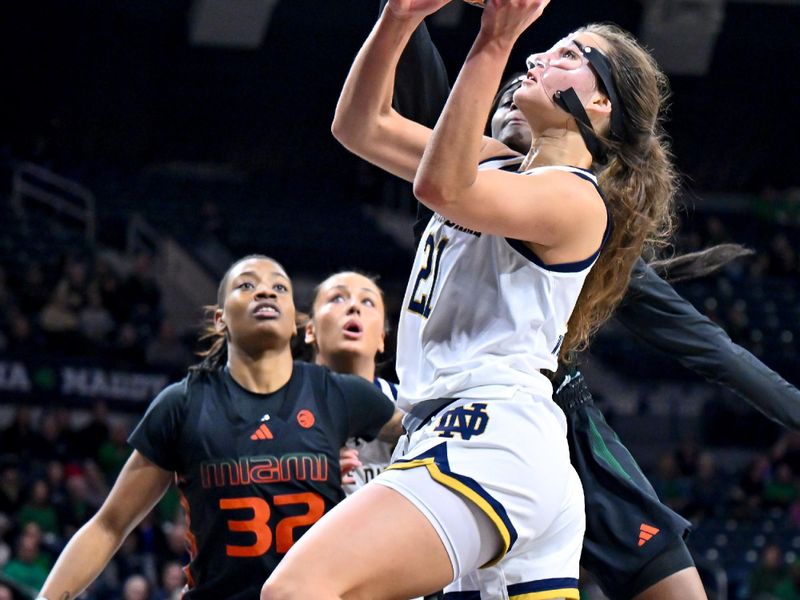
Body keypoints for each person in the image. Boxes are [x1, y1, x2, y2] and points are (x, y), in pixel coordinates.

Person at [261, 0, 677, 598]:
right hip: (475, 442)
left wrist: (494, 39)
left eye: (565, 55)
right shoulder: (499, 164)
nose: (537, 57)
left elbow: (439, 187)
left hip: (488, 435)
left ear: (600, 104)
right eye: (540, 48)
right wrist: (399, 19)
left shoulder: (578, 200)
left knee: (295, 590)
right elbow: (359, 126)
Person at [387, 5, 800, 598]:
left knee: (675, 587)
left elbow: (711, 348)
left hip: (541, 420)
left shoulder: (577, 214)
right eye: (500, 99)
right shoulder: (477, 171)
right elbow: (407, 115)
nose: (511, 98)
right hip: (470, 421)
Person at [37, 255, 396, 600]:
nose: (266, 292)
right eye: (247, 285)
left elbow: (430, 434)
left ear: (295, 325)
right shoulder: (183, 404)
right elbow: (109, 525)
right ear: (221, 319)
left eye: (280, 288)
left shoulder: (337, 394)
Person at [304, 271, 402, 493]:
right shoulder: (279, 407)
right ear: (310, 330)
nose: (354, 307)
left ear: (381, 339)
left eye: (367, 301)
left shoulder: (412, 407)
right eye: (337, 298)